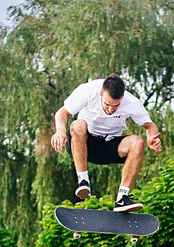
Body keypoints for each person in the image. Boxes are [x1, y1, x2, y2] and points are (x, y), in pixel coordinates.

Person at [51, 73, 162, 212]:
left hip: (109, 145)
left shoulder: (131, 102)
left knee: (137, 142)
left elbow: (149, 125)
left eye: (115, 106)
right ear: (101, 94)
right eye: (107, 104)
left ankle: (122, 198)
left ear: (122, 97)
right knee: (78, 124)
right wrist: (60, 131)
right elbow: (62, 113)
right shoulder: (88, 91)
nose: (110, 109)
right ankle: (83, 181)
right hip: (83, 143)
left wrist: (152, 137)